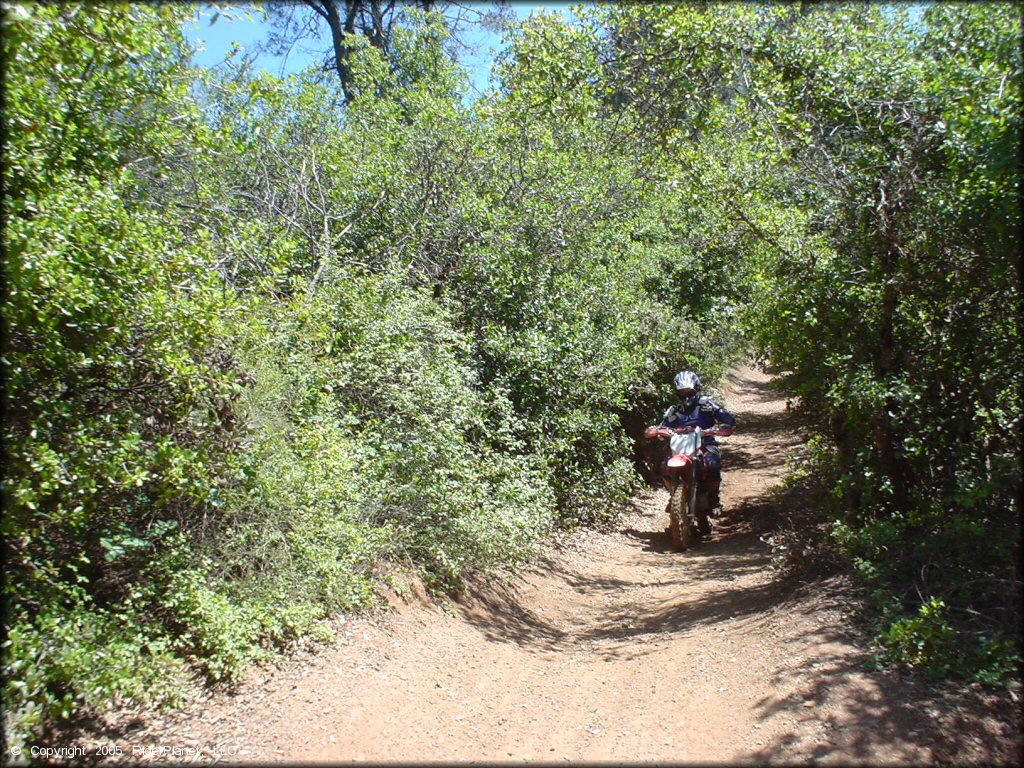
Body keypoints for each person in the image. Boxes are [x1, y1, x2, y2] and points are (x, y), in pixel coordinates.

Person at [658, 370, 736, 513]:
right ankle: (674, 495)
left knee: (712, 465)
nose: (686, 396)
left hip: (706, 442)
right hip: (681, 446)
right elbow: (663, 426)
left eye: (689, 392)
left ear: (697, 389)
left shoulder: (707, 404)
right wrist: (659, 431)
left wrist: (722, 427)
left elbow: (727, 418)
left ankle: (714, 500)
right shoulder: (674, 410)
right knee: (664, 466)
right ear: (677, 393)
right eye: (682, 393)